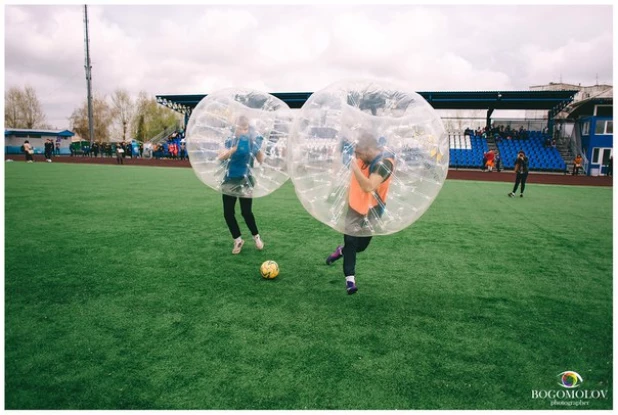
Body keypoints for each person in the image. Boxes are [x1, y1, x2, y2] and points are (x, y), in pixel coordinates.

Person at [325, 132, 395, 294]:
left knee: (361, 246)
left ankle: (340, 251)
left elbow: (369, 186)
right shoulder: (362, 158)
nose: (356, 156)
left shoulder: (385, 164)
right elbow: (351, 179)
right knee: (350, 240)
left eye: (358, 153)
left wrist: (354, 166)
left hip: (373, 209)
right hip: (354, 206)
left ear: (368, 149)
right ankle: (350, 280)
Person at [217, 115, 265, 254]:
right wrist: (233, 149)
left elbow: (260, 158)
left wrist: (264, 158)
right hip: (229, 181)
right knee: (228, 213)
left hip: (246, 181)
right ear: (235, 128)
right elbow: (221, 156)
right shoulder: (229, 141)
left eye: (246, 128)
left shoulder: (251, 142)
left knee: (246, 212)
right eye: (241, 128)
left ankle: (256, 237)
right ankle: (237, 240)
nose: (243, 131)